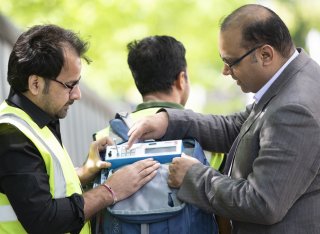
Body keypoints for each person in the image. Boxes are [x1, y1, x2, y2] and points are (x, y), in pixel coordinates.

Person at [126, 4, 320, 233]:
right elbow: (237, 128)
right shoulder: (292, 81)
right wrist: (169, 121)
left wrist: (193, 176)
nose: (225, 71)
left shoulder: (294, 108)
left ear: (265, 54)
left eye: (231, 62)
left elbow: (262, 203)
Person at [0, 24, 160, 234]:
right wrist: (110, 190)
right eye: (70, 85)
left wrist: (84, 172)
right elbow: (44, 219)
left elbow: (38, 185)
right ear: (36, 84)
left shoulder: (36, 121)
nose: (77, 95)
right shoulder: (11, 136)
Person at [94, 35, 218, 233]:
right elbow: (222, 206)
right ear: (181, 79)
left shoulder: (104, 138)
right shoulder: (209, 137)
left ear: (137, 82)